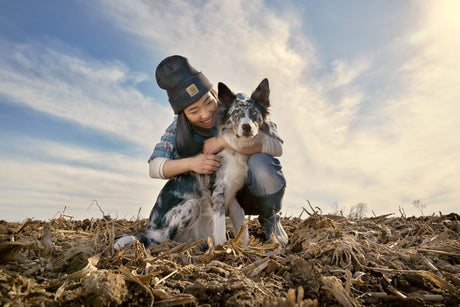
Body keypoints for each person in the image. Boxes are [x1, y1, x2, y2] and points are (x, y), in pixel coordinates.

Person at [148, 55, 288, 246]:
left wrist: (222, 142)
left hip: (245, 188)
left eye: (207, 102)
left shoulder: (241, 105)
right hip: (210, 196)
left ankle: (270, 218)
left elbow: (276, 145)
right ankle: (199, 236)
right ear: (183, 114)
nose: (205, 114)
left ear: (215, 94)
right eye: (193, 111)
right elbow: (155, 166)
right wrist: (192, 163)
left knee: (261, 162)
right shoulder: (178, 127)